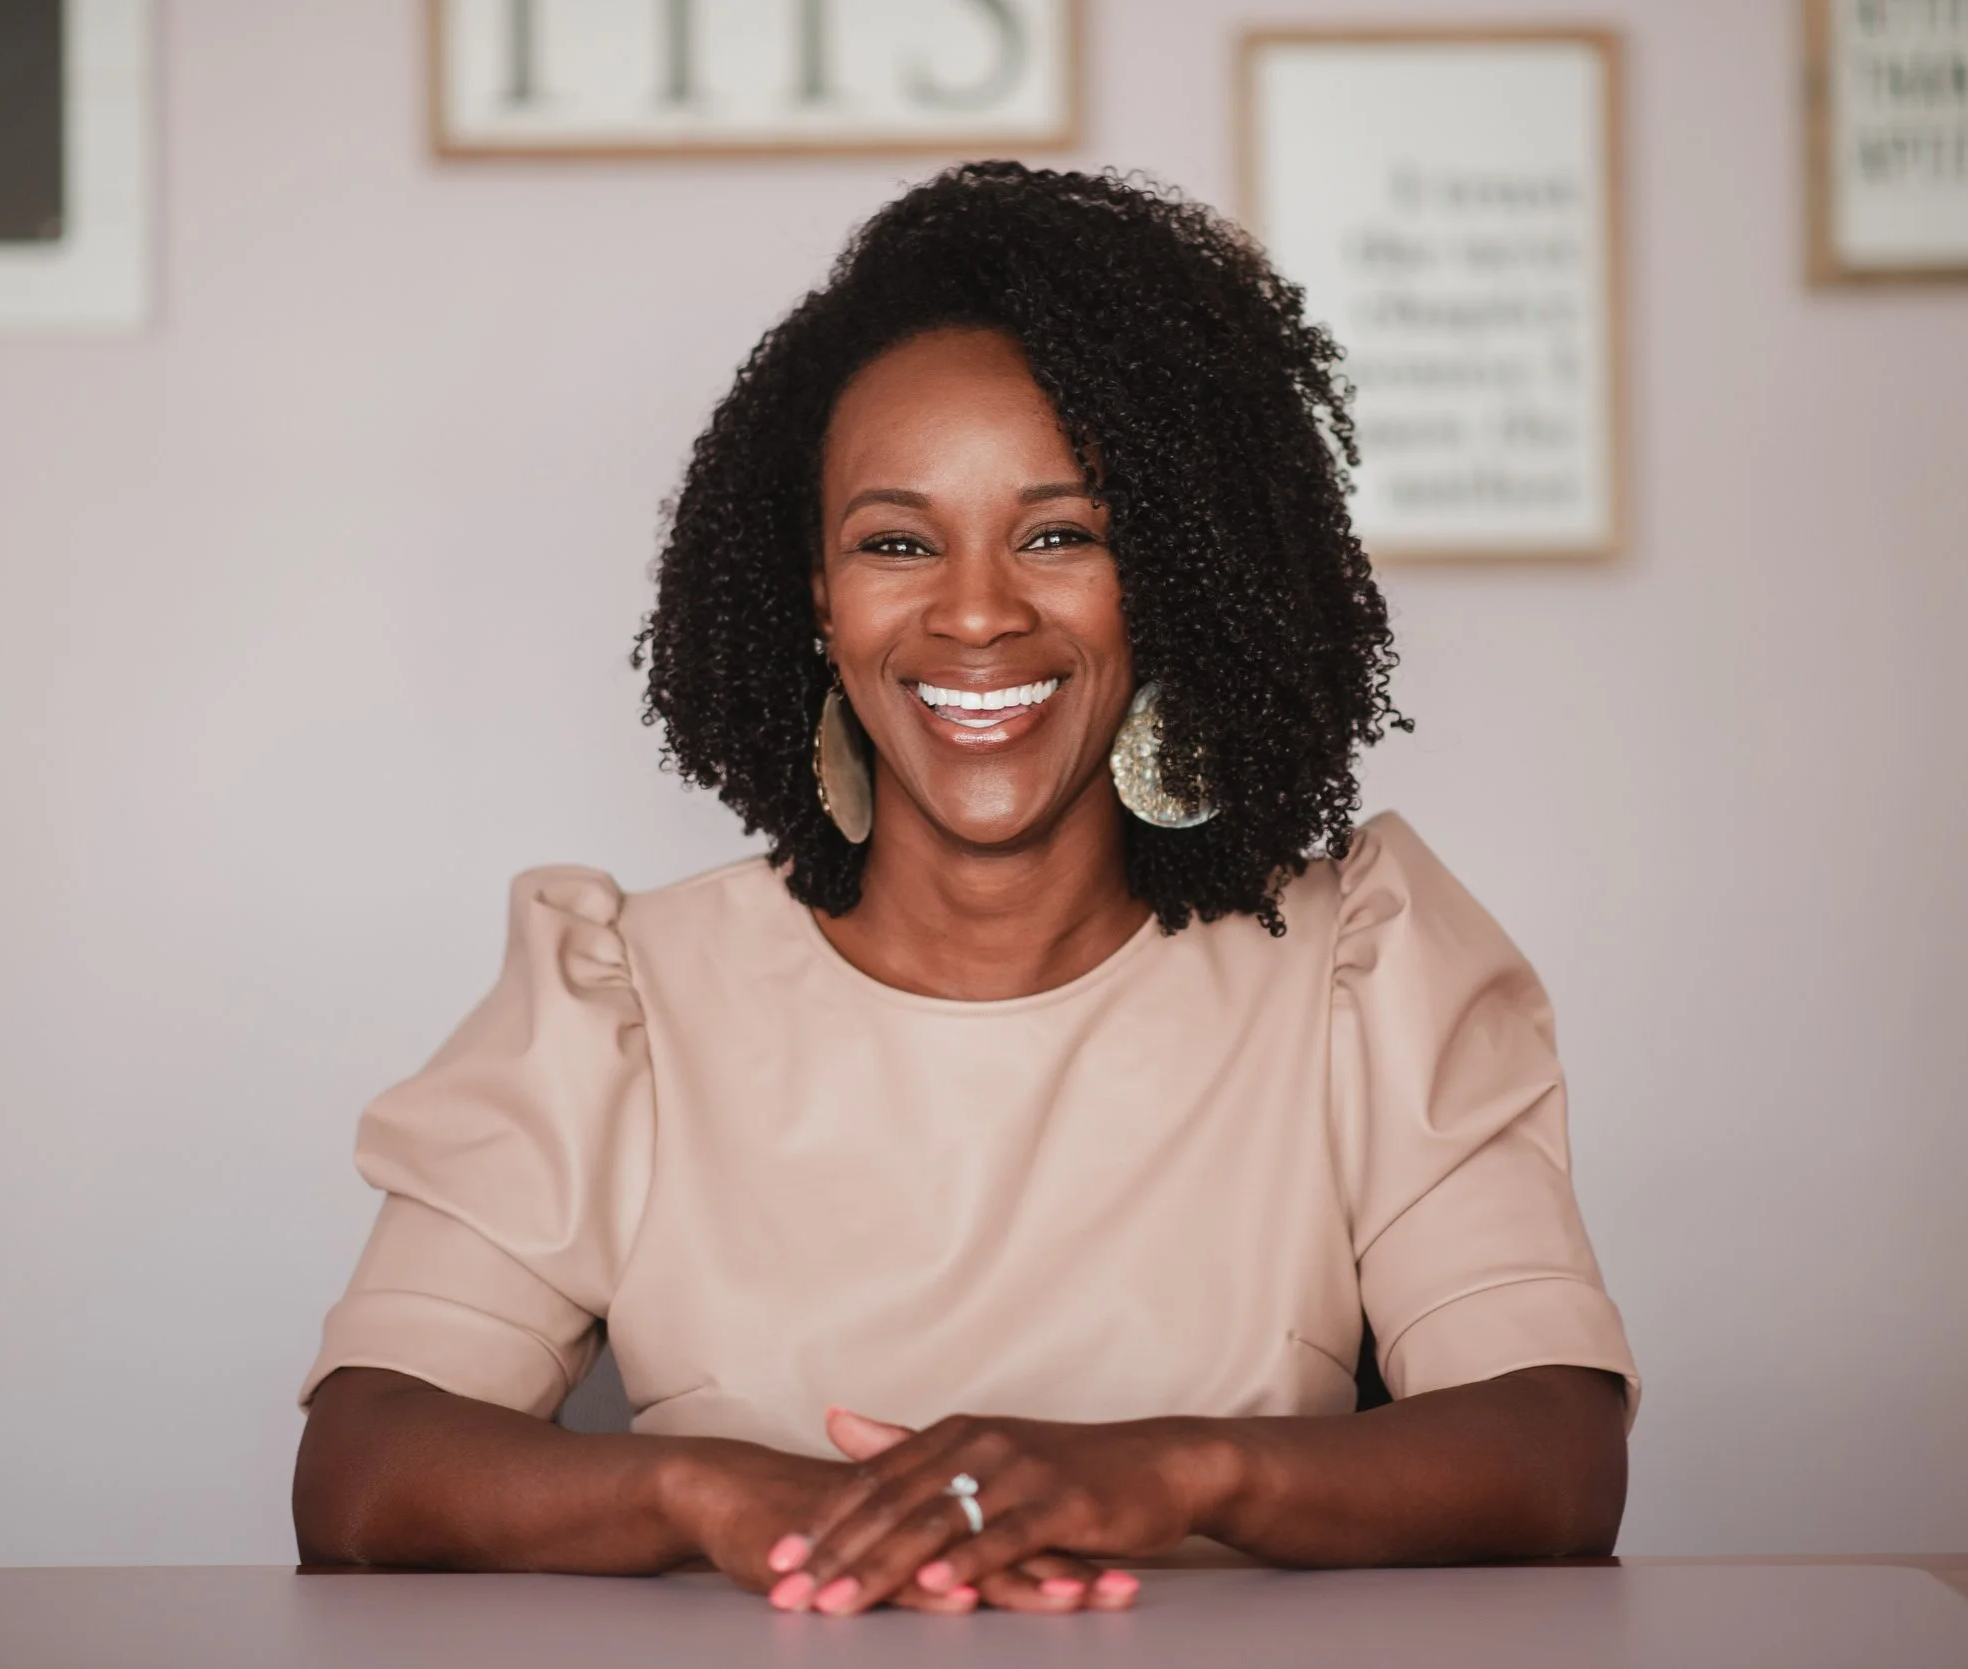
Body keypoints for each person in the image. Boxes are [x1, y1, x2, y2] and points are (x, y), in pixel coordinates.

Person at [293, 163, 1637, 1615]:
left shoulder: (1355, 968)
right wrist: (714, 1490)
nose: (980, 610)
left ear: (1171, 576)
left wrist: (1172, 1474)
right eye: (896, 542)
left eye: (1060, 534)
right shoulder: (623, 999)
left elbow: (1557, 1460)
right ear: (816, 594)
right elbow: (361, 1478)